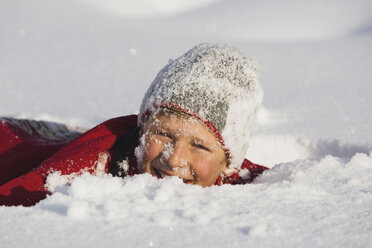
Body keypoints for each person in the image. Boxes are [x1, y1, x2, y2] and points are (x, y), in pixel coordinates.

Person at [0, 43, 268, 206]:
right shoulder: (88, 166)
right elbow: (14, 206)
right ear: (143, 128)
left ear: (229, 162)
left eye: (198, 145)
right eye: (163, 134)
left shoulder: (240, 176)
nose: (174, 159)